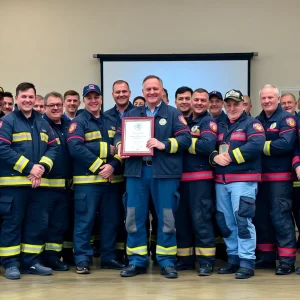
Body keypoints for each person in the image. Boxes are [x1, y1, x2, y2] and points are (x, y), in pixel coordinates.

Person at [116, 75, 191, 279]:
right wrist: (120, 145)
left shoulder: (174, 114)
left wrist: (163, 144)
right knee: (133, 217)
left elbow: (185, 139)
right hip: (136, 173)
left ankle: (166, 261)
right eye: (147, 89)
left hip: (164, 173)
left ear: (162, 90)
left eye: (155, 89)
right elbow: (117, 135)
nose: (151, 92)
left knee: (167, 217)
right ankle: (137, 260)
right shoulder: (131, 114)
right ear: (142, 90)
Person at [0, 82, 58, 279]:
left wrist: (41, 167)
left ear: (35, 99)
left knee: (36, 224)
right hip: (13, 187)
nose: (27, 100)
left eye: (30, 97)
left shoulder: (43, 122)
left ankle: (31, 261)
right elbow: (3, 149)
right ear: (17, 99)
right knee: (12, 225)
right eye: (23, 96)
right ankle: (10, 264)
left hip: (38, 185)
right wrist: (29, 167)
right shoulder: (8, 121)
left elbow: (54, 147)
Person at [67, 84, 126, 274]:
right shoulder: (78, 121)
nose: (93, 100)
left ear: (101, 99)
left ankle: (108, 258)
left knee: (111, 222)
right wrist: (101, 167)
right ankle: (83, 259)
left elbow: (121, 146)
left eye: (96, 97)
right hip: (88, 184)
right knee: (85, 222)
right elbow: (75, 147)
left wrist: (113, 166)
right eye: (89, 97)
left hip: (111, 183)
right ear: (84, 100)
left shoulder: (112, 120)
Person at [210, 89, 265, 279]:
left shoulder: (252, 123)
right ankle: (233, 259)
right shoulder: (219, 124)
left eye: (236, 104)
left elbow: (256, 145)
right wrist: (215, 157)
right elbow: (210, 148)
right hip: (221, 182)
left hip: (243, 181)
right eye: (229, 104)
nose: (232, 108)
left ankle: (247, 262)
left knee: (242, 220)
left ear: (244, 105)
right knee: (225, 223)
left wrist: (230, 157)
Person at [255, 84, 297, 275]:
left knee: (280, 217)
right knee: (262, 218)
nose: (267, 101)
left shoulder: (286, 119)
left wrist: (258, 145)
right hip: (260, 178)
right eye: (264, 98)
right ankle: (266, 257)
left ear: (278, 99)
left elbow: (286, 144)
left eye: (270, 98)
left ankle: (287, 261)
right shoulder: (256, 120)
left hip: (279, 178)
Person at [175, 88, 217, 276]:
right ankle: (185, 260)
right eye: (196, 100)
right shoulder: (184, 122)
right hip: (180, 180)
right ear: (190, 102)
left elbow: (207, 146)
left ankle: (206, 261)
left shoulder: (208, 121)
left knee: (201, 220)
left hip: (200, 181)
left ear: (207, 103)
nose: (199, 103)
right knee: (181, 221)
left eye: (203, 100)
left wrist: (183, 143)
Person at [42, 92, 72, 271]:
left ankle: (53, 258)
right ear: (45, 107)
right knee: (42, 224)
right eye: (51, 105)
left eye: (58, 105)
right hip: (45, 187)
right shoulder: (41, 125)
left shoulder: (69, 125)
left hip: (65, 186)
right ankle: (37, 258)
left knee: (59, 225)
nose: (55, 108)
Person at [105, 80, 134, 259]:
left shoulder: (139, 113)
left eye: (124, 91)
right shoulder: (105, 116)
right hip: (114, 177)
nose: (121, 94)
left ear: (130, 93)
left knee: (133, 216)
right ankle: (117, 253)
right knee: (114, 216)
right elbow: (109, 146)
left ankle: (130, 253)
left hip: (133, 173)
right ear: (112, 94)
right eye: (117, 92)